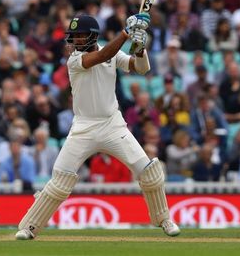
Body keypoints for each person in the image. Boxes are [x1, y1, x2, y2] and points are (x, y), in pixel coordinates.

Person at [15, 13, 180, 240]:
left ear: (93, 36)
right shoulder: (74, 60)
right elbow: (103, 55)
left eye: (81, 36)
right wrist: (125, 33)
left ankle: (164, 220)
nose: (76, 41)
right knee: (60, 181)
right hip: (83, 127)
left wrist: (140, 48)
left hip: (112, 124)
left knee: (150, 172)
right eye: (74, 36)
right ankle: (29, 227)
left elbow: (140, 68)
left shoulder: (111, 53)